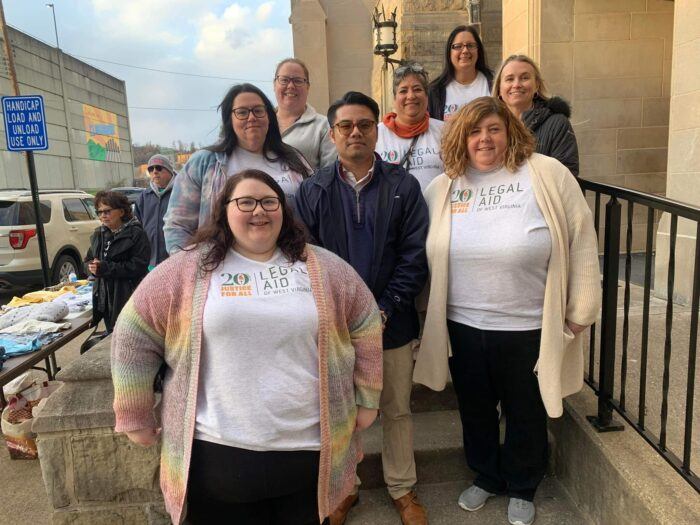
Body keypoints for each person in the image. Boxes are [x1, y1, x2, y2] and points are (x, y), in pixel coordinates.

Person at [112, 170, 384, 525]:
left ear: (283, 211)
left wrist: (368, 397)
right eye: (246, 202)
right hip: (217, 453)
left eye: (270, 202)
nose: (259, 211)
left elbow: (366, 321)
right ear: (225, 209)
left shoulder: (323, 267)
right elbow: (133, 332)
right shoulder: (186, 269)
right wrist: (135, 413)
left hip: (307, 451)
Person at [414, 97, 600, 525]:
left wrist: (581, 311)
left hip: (528, 324)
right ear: (461, 137)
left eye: (494, 129)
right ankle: (486, 475)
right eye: (475, 131)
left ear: (510, 132)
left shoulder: (546, 174)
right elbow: (425, 257)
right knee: (475, 408)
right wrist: (425, 316)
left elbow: (581, 240)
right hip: (463, 325)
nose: (484, 139)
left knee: (525, 410)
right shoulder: (444, 187)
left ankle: (522, 483)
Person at [296, 91, 429, 525]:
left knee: (396, 408)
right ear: (332, 133)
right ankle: (343, 488)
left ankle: (402, 488)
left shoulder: (403, 186)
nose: (356, 132)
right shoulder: (312, 191)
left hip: (392, 321)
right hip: (333, 326)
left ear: (377, 129)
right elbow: (305, 259)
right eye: (346, 125)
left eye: (365, 124)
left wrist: (384, 309)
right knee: (339, 411)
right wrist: (339, 315)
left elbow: (414, 256)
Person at [164, 83, 312, 253]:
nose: (251, 117)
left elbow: (316, 216)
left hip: (287, 266)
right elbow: (177, 225)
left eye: (258, 110)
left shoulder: (294, 159)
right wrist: (191, 271)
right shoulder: (204, 162)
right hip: (221, 270)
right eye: (242, 112)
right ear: (230, 119)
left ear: (269, 116)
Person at [493, 54, 579, 177]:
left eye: (524, 78)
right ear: (499, 89)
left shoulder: (557, 123)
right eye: (509, 79)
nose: (516, 84)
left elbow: (566, 175)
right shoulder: (487, 126)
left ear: (536, 85)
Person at [85, 190, 150, 333]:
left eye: (107, 211)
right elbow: (88, 260)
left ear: (121, 212)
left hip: (129, 298)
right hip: (106, 299)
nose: (103, 215)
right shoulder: (99, 234)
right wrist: (93, 267)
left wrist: (106, 268)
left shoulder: (136, 233)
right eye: (99, 212)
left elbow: (138, 266)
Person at [376, 62, 445, 192]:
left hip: (435, 210)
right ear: (394, 98)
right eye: (403, 91)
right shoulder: (376, 135)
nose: (411, 96)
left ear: (426, 96)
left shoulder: (445, 132)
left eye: (417, 89)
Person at [274, 58, 336, 170]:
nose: (291, 86)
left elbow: (329, 173)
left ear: (308, 87)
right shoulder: (261, 123)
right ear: (274, 85)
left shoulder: (324, 126)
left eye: (298, 81)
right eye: (284, 80)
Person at [427, 25, 492, 121]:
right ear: (449, 52)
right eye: (458, 46)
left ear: (479, 50)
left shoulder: (494, 83)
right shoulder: (435, 91)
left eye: (470, 45)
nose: (465, 50)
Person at [134, 154, 175, 270]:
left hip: (175, 259)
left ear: (169, 171)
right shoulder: (144, 196)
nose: (155, 172)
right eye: (151, 169)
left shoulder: (181, 193)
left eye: (159, 168)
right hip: (150, 260)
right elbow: (137, 226)